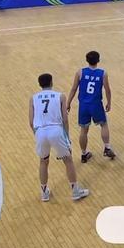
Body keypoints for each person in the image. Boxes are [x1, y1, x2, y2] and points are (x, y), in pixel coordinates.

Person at [30, 73, 90, 202]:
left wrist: (37, 134)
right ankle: (75, 191)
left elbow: (31, 121)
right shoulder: (60, 96)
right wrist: (67, 137)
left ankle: (44, 193)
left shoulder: (33, 98)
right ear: (51, 82)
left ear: (39, 84)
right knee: (68, 160)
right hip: (56, 130)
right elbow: (65, 120)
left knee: (43, 161)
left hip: (40, 131)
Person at [66, 51, 116, 163]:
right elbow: (107, 90)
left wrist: (68, 103)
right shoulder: (103, 73)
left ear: (86, 60)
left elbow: (73, 89)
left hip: (83, 106)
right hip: (96, 104)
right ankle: (107, 148)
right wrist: (109, 102)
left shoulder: (80, 72)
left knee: (83, 130)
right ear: (98, 60)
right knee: (103, 125)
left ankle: (84, 154)